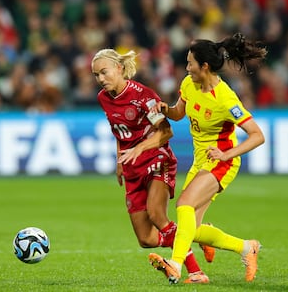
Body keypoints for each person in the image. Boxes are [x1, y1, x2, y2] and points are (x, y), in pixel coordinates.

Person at [148, 32, 267, 284]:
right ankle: (246, 247)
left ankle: (176, 266)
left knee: (184, 205)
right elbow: (179, 113)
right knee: (190, 228)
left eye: (190, 63)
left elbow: (257, 136)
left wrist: (226, 153)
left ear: (204, 66)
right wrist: (164, 109)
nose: (186, 67)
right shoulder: (189, 84)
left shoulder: (225, 98)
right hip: (200, 161)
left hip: (222, 162)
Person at [91, 48, 214, 284]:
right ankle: (197, 236)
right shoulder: (103, 98)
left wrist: (140, 148)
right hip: (132, 168)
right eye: (97, 75)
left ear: (119, 69)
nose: (101, 79)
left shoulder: (143, 96)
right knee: (146, 239)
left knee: (157, 214)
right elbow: (119, 131)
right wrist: (120, 159)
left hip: (157, 159)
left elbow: (166, 132)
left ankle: (196, 273)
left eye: (104, 73)